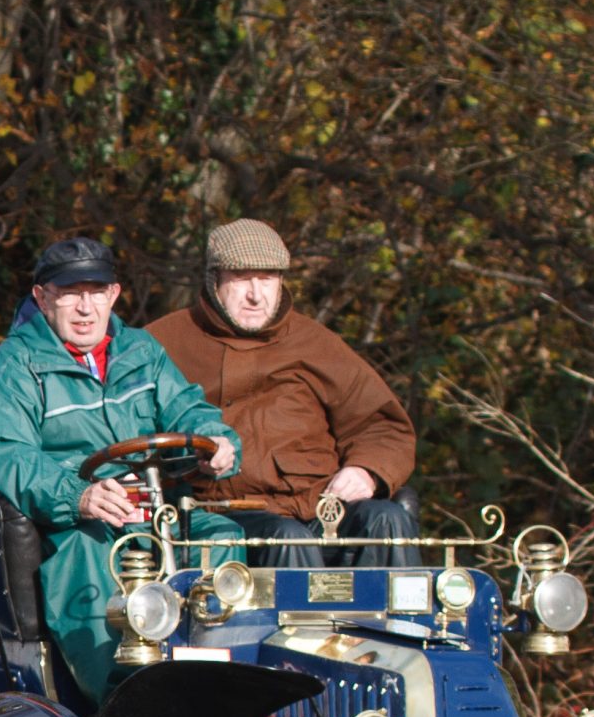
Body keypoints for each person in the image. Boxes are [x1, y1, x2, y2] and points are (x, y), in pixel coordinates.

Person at [0, 236, 244, 704]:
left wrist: (215, 441)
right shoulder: (13, 366)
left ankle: (212, 682)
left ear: (114, 295)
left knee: (222, 536)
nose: (84, 307)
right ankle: (121, 704)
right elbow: (6, 449)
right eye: (70, 292)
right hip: (76, 518)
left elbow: (187, 408)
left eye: (96, 291)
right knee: (87, 557)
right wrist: (78, 495)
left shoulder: (142, 351)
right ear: (42, 298)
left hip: (153, 508)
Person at [146, 219, 420, 569]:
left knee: (388, 519)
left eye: (267, 279)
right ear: (214, 280)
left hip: (322, 507)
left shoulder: (316, 342)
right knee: (287, 539)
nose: (256, 294)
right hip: (232, 514)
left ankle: (405, 624)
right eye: (242, 278)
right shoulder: (162, 342)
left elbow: (382, 425)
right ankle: (305, 627)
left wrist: (367, 470)